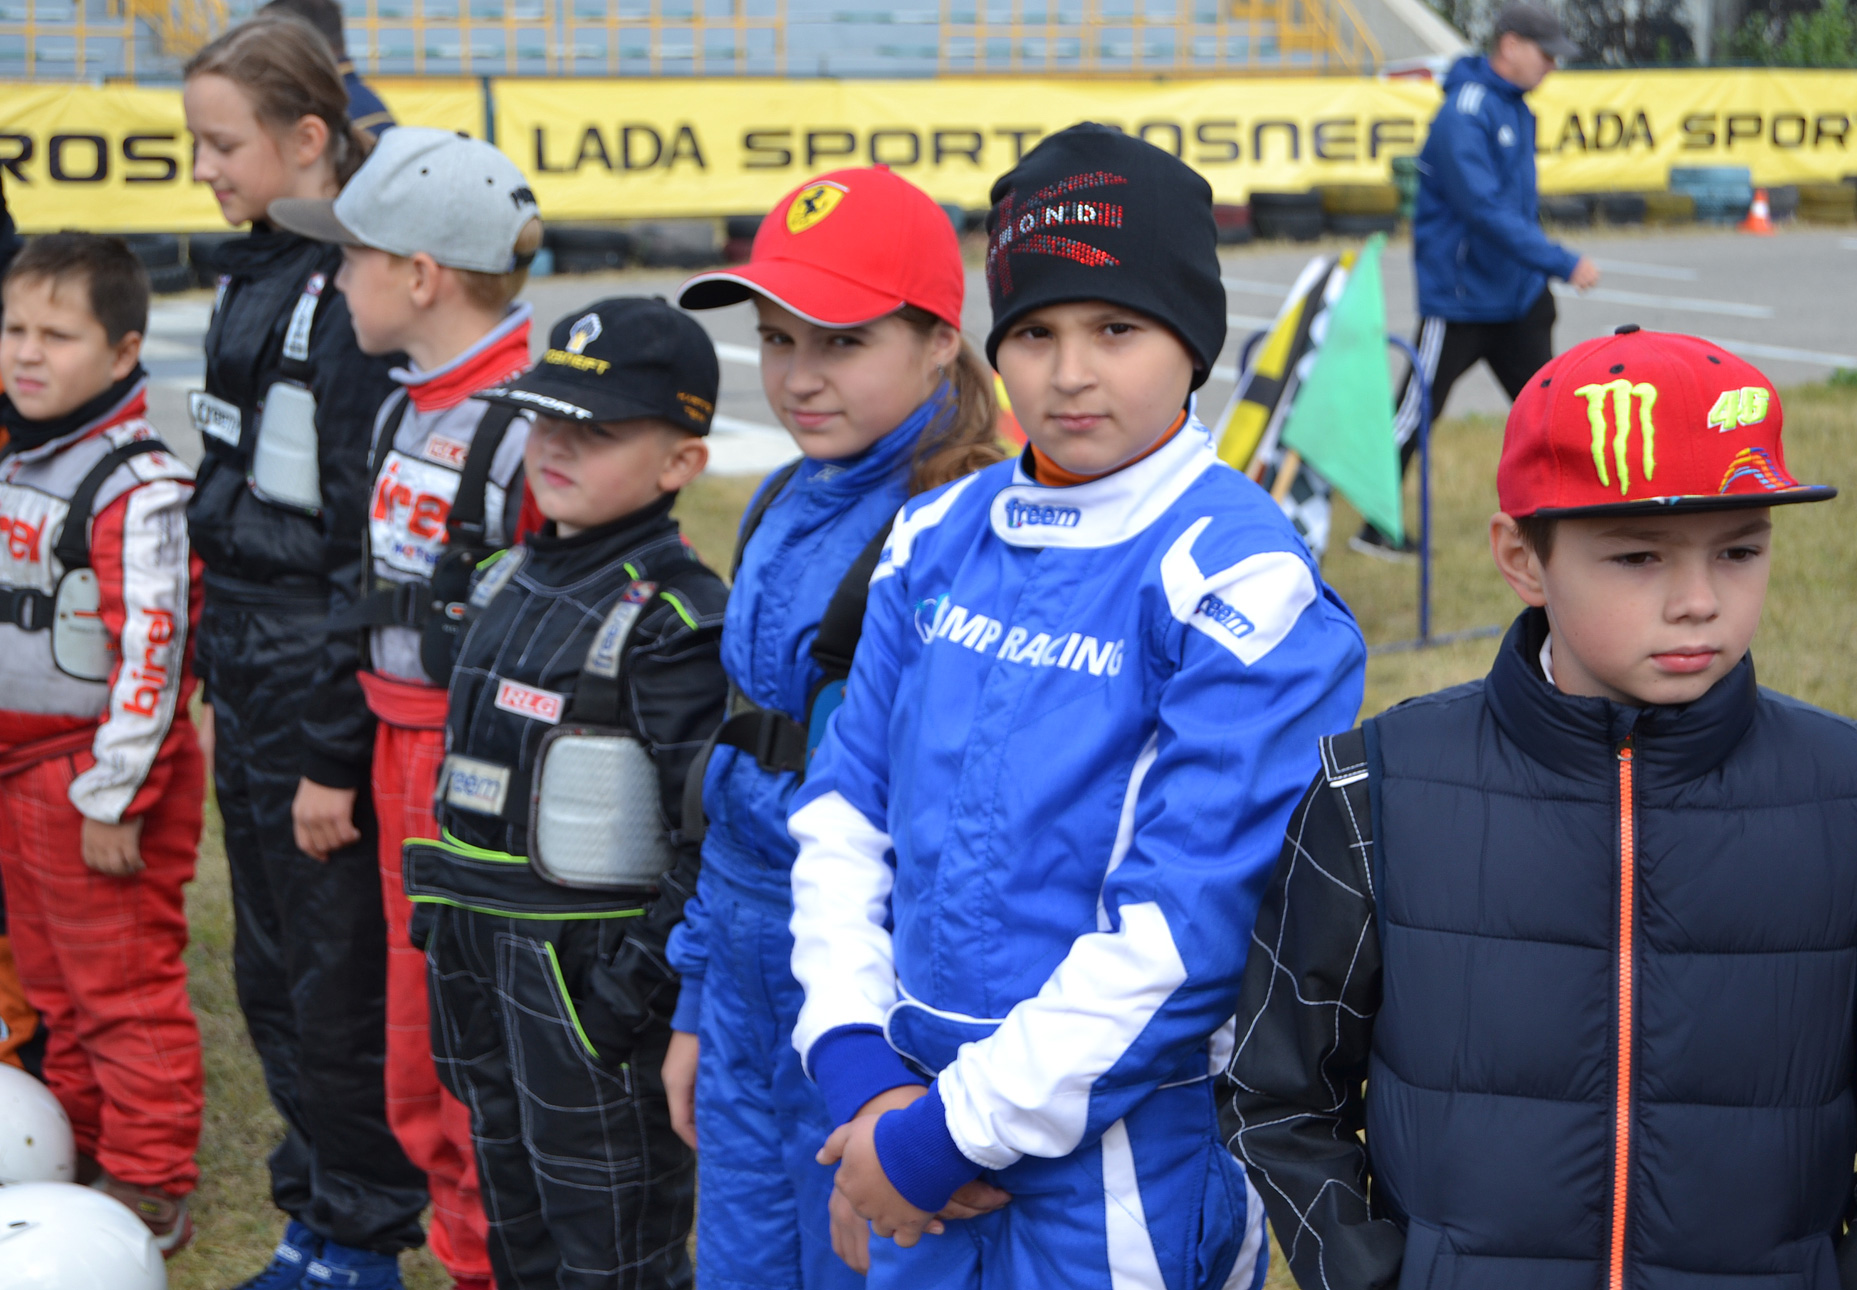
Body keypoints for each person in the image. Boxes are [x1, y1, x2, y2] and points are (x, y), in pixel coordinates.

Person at [1222, 327, 1857, 1288]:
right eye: (1638, 556)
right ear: (1521, 558)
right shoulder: (1374, 792)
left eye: (1738, 549)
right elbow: (1277, 1093)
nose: (1697, 600)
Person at [786, 124, 1367, 1289]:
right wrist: (859, 1073)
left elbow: (1184, 935)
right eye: (1035, 332)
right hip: (903, 1117)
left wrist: (943, 1135)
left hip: (1121, 1153)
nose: (1068, 373)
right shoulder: (932, 536)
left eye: (1116, 329)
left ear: (1191, 342)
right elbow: (845, 815)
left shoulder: (1240, 579)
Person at [669, 165, 1007, 1288]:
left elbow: (964, 848)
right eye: (775, 341)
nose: (798, 378)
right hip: (747, 968)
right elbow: (736, 772)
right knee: (740, 1261)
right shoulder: (782, 496)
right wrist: (698, 999)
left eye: (842, 343)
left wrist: (897, 1098)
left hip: (866, 1001)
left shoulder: (960, 533)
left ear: (939, 342)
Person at [404, 297, 727, 1289]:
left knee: (611, 1246)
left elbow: (711, 840)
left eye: (601, 431)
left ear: (680, 463)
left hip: (589, 989)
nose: (559, 446)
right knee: (515, 1221)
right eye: (547, 419)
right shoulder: (501, 576)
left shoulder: (675, 620)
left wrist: (628, 995)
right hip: (476, 961)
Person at [269, 125, 543, 1290]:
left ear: (420, 276)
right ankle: (462, 1247)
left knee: (470, 1036)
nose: (335, 280)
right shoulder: (403, 408)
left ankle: (493, 1259)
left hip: (471, 764)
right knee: (414, 1042)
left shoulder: (531, 427)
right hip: (393, 742)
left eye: (351, 257)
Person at [182, 17, 429, 1289]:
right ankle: (314, 1209)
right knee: (270, 960)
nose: (204, 168)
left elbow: (363, 553)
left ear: (310, 138)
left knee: (336, 972)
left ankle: (363, 1235)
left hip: (313, 669)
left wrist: (333, 749)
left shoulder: (349, 300)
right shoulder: (253, 272)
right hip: (247, 657)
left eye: (223, 144)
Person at [0, 234, 201, 1251]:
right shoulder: (18, 455)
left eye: (58, 335)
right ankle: (73, 1153)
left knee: (122, 993)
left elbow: (155, 658)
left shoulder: (140, 486)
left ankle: (152, 1185)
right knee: (53, 993)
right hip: (19, 772)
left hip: (92, 781)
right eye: (14, 329)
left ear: (124, 352)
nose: (27, 353)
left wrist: (116, 797)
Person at [1363, 0, 1600, 560]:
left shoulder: (1517, 108)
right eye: (1546, 54)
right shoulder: (1464, 115)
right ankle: (1373, 523)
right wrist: (1561, 261)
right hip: (1462, 299)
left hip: (1519, 297)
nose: (1552, 67)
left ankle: (1572, 514)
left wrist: (1537, 276)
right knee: (1415, 412)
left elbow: (1516, 208)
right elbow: (1484, 211)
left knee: (1549, 411)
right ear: (1510, 45)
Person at [260, 0, 393, 135]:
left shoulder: (322, 113)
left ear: (305, 44)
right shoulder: (363, 102)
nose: (258, 59)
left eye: (269, 45)